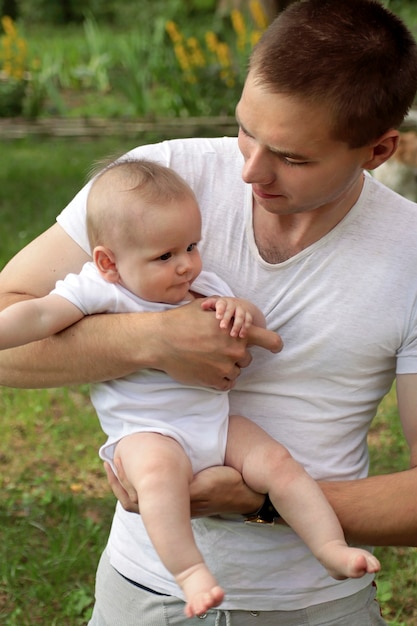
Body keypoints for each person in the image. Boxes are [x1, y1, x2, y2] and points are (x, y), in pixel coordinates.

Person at [0, 0, 416, 623]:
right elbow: (11, 331)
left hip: (315, 604)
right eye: (245, 129)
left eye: (293, 158)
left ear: (380, 150)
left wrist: (258, 502)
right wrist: (151, 340)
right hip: (145, 591)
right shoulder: (156, 181)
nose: (250, 169)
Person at [0, 157, 380, 618]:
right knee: (160, 480)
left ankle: (329, 546)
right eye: (165, 256)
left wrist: (242, 312)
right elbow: (38, 316)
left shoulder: (202, 287)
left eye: (191, 247)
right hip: (148, 433)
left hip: (215, 426)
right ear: (108, 262)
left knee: (277, 463)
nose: (185, 266)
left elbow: (259, 328)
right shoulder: (100, 291)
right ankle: (189, 573)